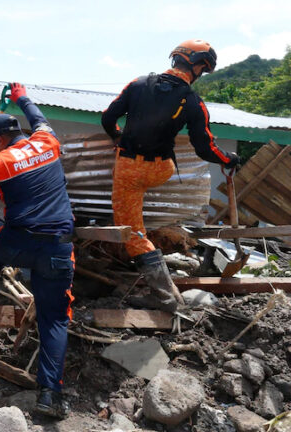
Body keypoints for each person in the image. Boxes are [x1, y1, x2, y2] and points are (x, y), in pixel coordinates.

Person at [101, 39, 240, 312]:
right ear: (198, 66)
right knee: (139, 204)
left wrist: (118, 137)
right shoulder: (192, 101)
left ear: (176, 59)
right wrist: (229, 159)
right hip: (161, 170)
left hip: (129, 170)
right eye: (203, 69)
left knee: (132, 232)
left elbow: (108, 118)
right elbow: (205, 147)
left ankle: (164, 297)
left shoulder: (138, 84)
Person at [0, 82, 75, 419]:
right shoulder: (48, 141)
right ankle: (49, 394)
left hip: (18, 244)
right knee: (54, 317)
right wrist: (21, 96)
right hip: (57, 246)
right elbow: (37, 117)